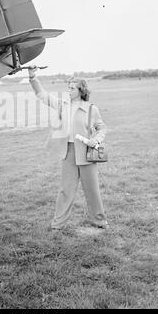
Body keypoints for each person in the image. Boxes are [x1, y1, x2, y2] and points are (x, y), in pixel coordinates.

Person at [28, 66, 109, 230]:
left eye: (72, 88)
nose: (69, 91)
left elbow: (102, 128)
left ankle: (100, 221)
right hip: (68, 152)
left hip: (86, 152)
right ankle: (57, 225)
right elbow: (43, 95)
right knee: (66, 190)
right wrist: (32, 77)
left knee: (92, 190)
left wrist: (96, 139)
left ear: (81, 90)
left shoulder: (92, 109)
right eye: (68, 87)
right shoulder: (62, 105)